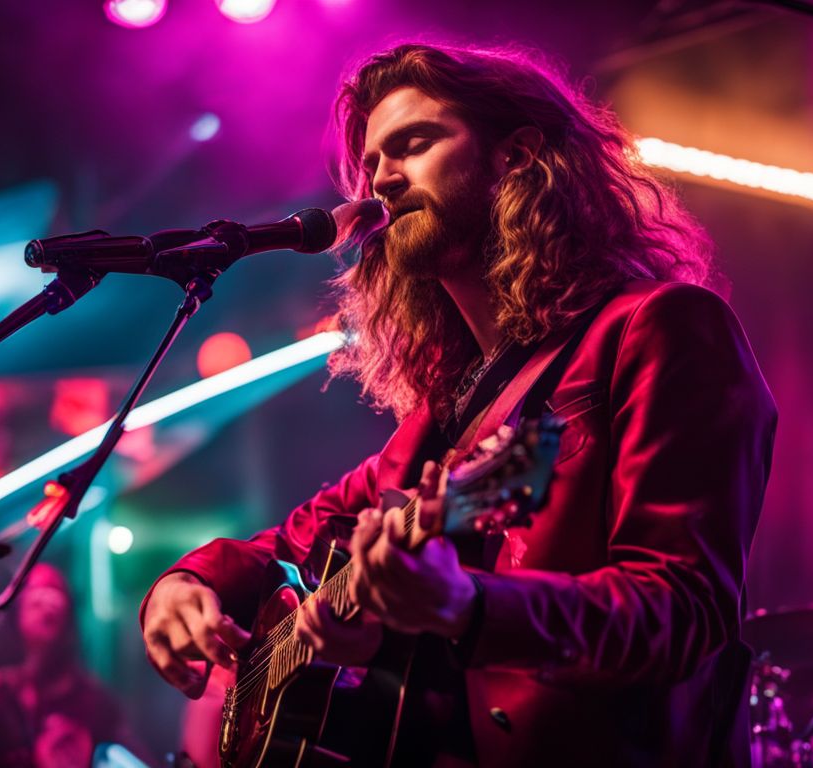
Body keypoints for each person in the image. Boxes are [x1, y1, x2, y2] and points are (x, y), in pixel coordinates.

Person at [139, 42, 776, 766]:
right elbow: (288, 542)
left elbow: (686, 611)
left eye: (414, 144)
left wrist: (469, 608)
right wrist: (187, 582)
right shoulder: (439, 419)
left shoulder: (656, 329)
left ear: (517, 157)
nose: (382, 179)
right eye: (373, 162)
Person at [0, 563, 135, 768]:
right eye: (36, 593)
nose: (46, 600)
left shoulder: (95, 702)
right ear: (18, 611)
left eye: (54, 592)